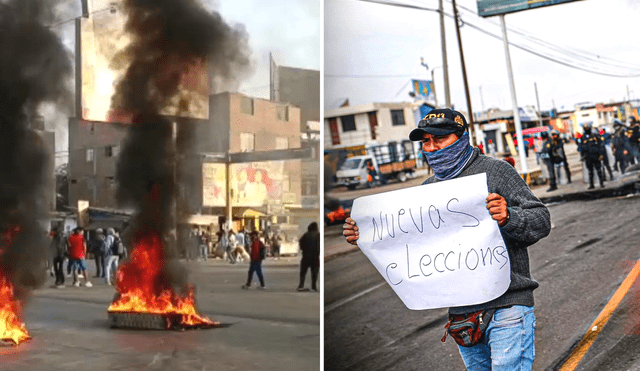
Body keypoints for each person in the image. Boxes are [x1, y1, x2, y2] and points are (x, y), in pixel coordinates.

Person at [343, 108, 551, 371]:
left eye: (439, 139)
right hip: (463, 315)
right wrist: (366, 235)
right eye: (426, 142)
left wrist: (508, 216)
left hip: (508, 307)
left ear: (462, 137)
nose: (432, 148)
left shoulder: (496, 172)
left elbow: (541, 220)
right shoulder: (428, 190)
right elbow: (411, 242)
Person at [580, 123, 606, 189]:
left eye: (588, 128)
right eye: (586, 128)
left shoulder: (595, 136)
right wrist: (582, 155)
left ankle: (601, 183)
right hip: (588, 156)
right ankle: (591, 185)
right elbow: (581, 147)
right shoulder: (583, 137)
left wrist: (601, 154)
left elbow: (600, 145)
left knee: (599, 170)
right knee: (590, 171)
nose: (587, 129)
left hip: (596, 155)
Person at [297, 222, 320, 292]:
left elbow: (300, 242)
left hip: (305, 255)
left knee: (303, 272)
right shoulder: (318, 235)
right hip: (315, 256)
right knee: (314, 272)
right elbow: (319, 245)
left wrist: (303, 249)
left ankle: (301, 284)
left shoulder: (305, 235)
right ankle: (313, 286)